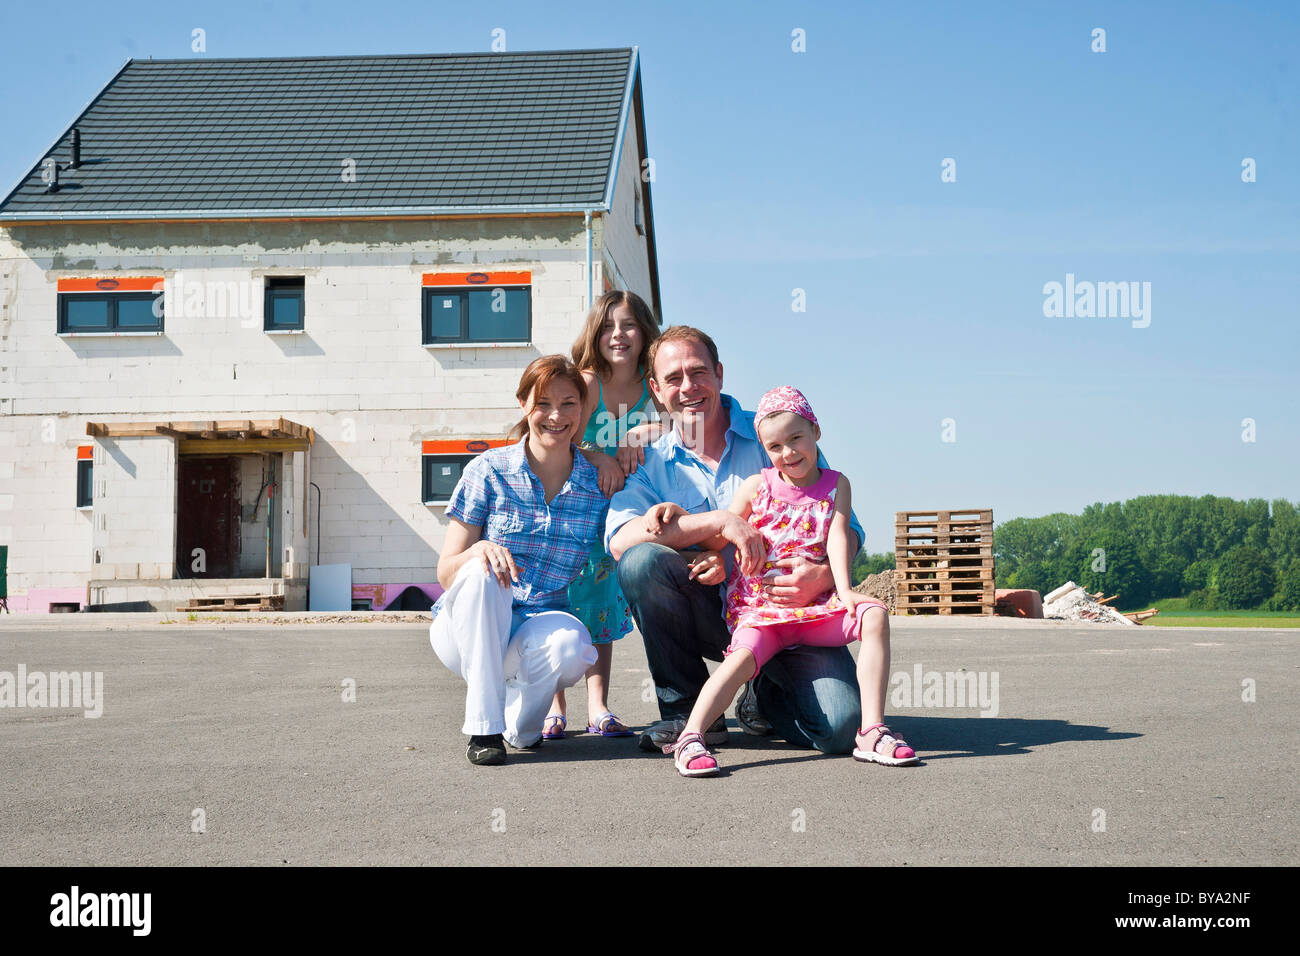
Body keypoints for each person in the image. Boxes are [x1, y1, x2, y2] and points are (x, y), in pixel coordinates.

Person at [605, 326, 869, 755]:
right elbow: (621, 540)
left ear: (720, 374)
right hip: (711, 610)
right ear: (655, 389)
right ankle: (687, 715)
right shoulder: (649, 460)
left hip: (791, 608)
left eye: (699, 372)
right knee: (641, 563)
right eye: (673, 378)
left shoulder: (775, 432)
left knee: (840, 730)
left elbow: (846, 524)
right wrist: (721, 523)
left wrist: (823, 576)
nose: (688, 387)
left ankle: (763, 698)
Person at [647, 385, 917, 776]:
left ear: (816, 432)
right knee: (739, 660)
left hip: (815, 611)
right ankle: (690, 737)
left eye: (796, 439)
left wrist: (843, 591)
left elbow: (838, 537)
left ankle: (872, 731)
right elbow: (718, 534)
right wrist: (679, 516)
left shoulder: (837, 484)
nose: (788, 453)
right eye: (775, 447)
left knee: (874, 613)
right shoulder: (757, 487)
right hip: (762, 610)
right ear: (764, 449)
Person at [429, 355, 608, 766]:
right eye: (543, 402)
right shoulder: (487, 470)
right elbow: (445, 571)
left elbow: (632, 526)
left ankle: (519, 726)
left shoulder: (596, 484)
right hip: (466, 630)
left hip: (536, 627)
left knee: (574, 645)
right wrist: (476, 550)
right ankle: (483, 727)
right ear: (523, 404)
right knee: (480, 570)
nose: (556, 415)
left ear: (582, 410)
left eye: (568, 404)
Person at [545, 291, 663, 740]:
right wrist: (600, 457)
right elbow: (562, 434)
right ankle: (553, 707)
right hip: (573, 507)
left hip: (617, 517)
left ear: (644, 331)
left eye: (629, 324)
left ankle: (598, 706)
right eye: (609, 325)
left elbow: (685, 424)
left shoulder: (652, 385)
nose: (619, 334)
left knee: (599, 608)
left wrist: (647, 428)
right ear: (596, 332)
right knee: (560, 602)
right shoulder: (588, 383)